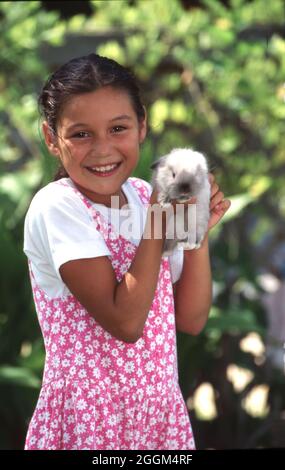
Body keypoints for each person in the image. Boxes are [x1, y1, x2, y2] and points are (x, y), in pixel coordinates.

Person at [23, 53, 231, 450]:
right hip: (89, 422)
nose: (103, 149)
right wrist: (158, 219)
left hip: (157, 418)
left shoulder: (141, 196)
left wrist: (195, 229)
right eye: (81, 134)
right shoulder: (57, 207)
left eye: (118, 128)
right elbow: (125, 322)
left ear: (142, 126)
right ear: (52, 139)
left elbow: (190, 319)